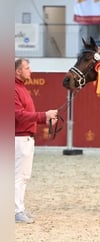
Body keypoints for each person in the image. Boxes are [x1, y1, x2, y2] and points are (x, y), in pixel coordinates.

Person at [15, 58, 58, 223]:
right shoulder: (14, 89)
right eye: (27, 68)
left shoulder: (21, 88)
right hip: (19, 138)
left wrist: (45, 119)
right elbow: (18, 116)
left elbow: (26, 116)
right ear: (18, 71)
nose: (30, 71)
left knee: (23, 176)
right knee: (19, 176)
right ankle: (16, 211)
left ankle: (19, 207)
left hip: (24, 138)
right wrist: (43, 115)